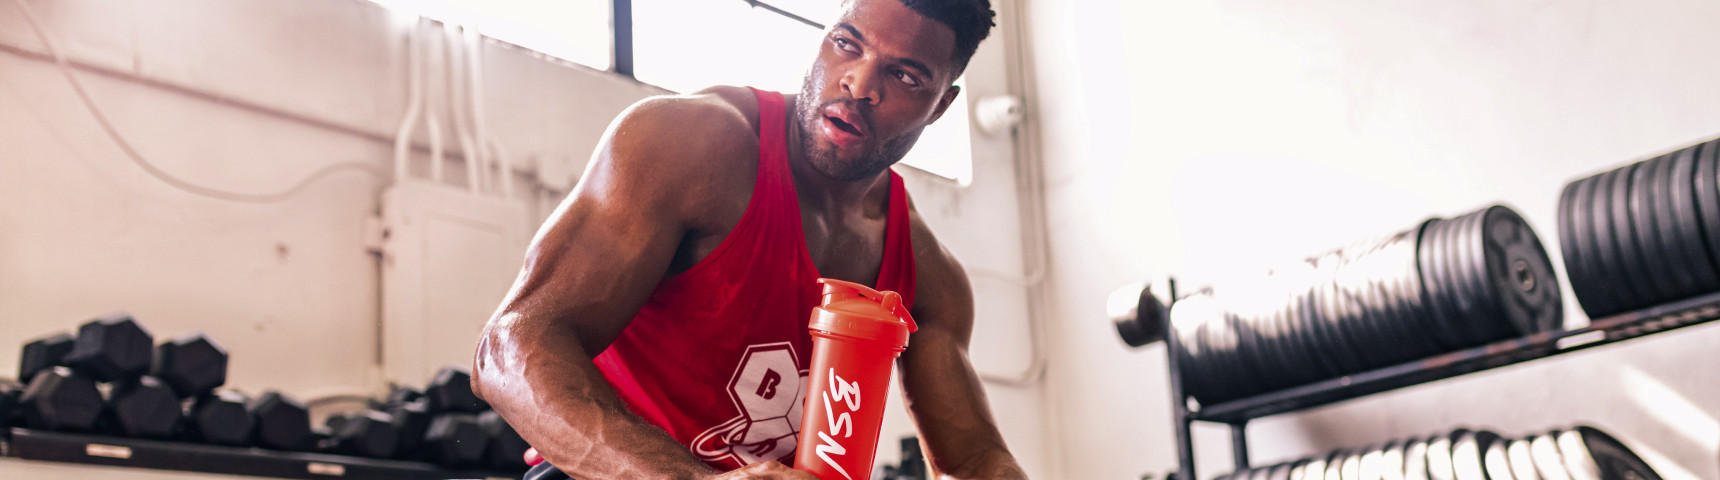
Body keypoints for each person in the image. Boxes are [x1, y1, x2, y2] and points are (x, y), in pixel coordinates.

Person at [472, 0, 1026, 478]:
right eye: (847, 43)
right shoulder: (690, 145)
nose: (859, 83)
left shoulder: (926, 275)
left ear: (941, 107)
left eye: (904, 76)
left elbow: (973, 461)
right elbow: (509, 347)